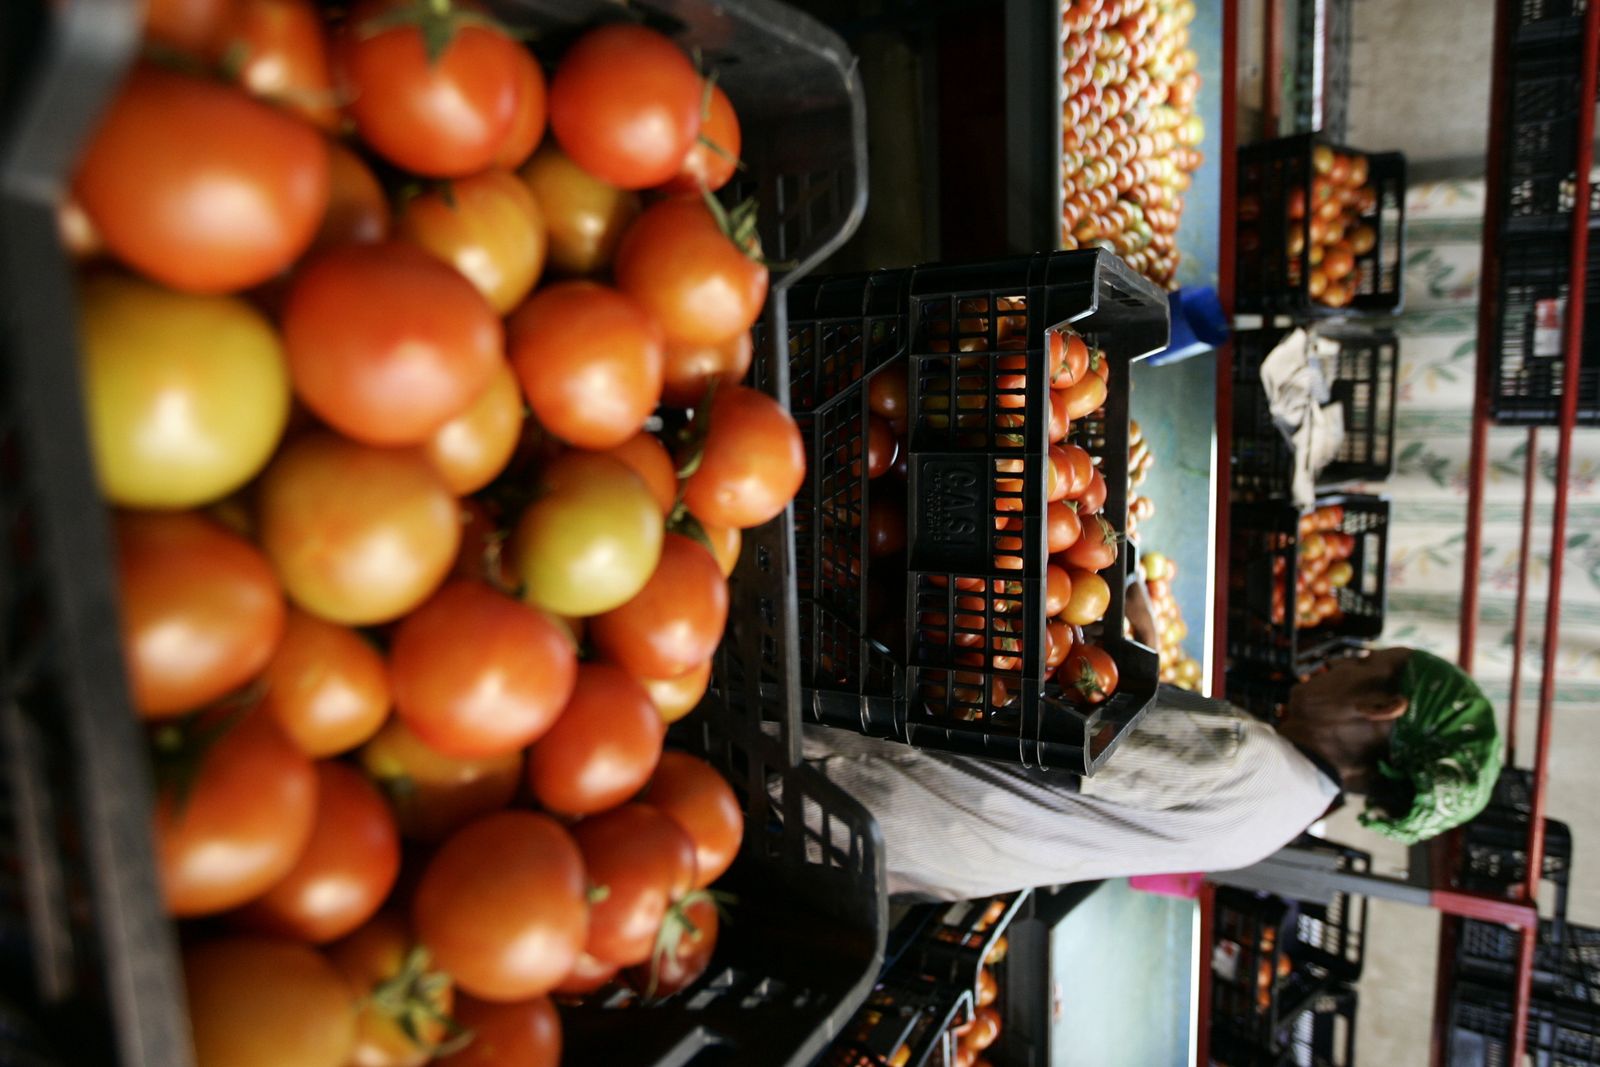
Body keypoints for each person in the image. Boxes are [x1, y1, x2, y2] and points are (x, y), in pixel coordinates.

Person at [801, 642, 1502, 902]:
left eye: (1364, 661)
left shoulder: (1242, 752)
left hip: (875, 779)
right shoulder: (1284, 814)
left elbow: (1051, 702)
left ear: (1381, 705)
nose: (1338, 660)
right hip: (909, 851)